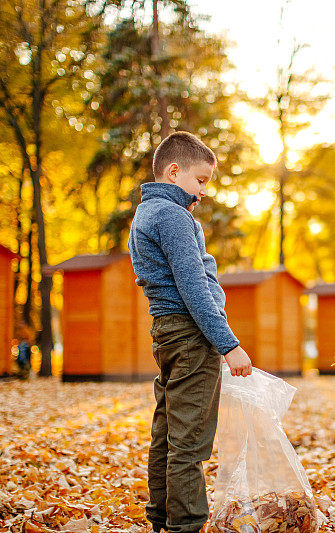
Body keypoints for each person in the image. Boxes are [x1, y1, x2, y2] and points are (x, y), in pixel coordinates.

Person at [129, 131, 253, 533]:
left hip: (166, 332)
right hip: (190, 335)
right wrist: (229, 344)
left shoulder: (146, 214)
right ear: (174, 171)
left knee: (167, 432)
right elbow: (193, 287)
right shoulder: (172, 216)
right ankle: (185, 526)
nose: (203, 191)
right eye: (200, 180)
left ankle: (160, 520)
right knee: (190, 441)